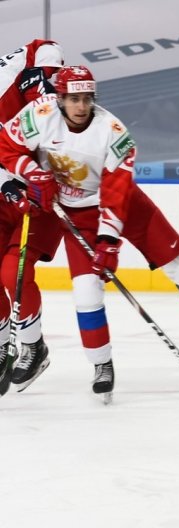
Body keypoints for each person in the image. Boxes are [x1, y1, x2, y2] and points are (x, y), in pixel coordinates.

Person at [0, 65, 179, 400]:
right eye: (74, 99)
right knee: (86, 294)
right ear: (60, 98)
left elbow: (116, 191)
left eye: (87, 99)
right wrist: (32, 173)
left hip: (124, 205)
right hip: (75, 215)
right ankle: (102, 364)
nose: (81, 106)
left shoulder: (112, 131)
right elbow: (6, 144)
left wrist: (108, 242)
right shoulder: (38, 115)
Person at [0, 39, 65, 392]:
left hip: (41, 190)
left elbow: (44, 47)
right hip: (7, 192)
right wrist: (5, 184)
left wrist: (41, 81)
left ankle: (32, 346)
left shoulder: (8, 67)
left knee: (14, 272)